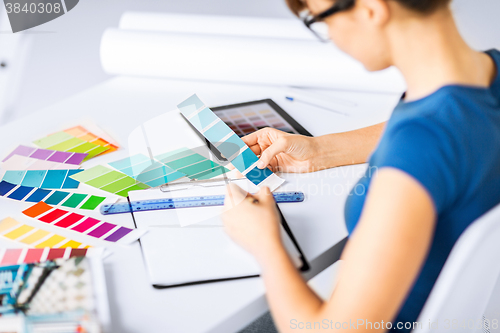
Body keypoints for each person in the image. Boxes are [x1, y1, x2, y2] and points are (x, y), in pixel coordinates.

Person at [221, 0, 500, 332]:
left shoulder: (421, 144)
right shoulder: (485, 77)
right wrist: (319, 151)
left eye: (322, 20)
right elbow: (447, 130)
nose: (333, 36)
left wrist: (264, 242)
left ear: (371, 9)